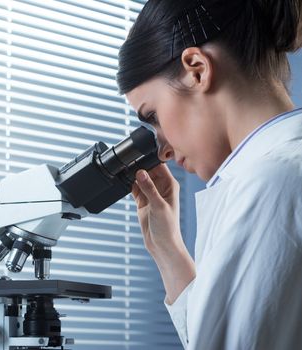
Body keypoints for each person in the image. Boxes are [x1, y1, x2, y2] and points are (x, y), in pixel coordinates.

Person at [116, 0, 302, 349]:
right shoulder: (272, 172)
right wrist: (167, 249)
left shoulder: (271, 183)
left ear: (197, 69)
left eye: (153, 115)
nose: (163, 151)